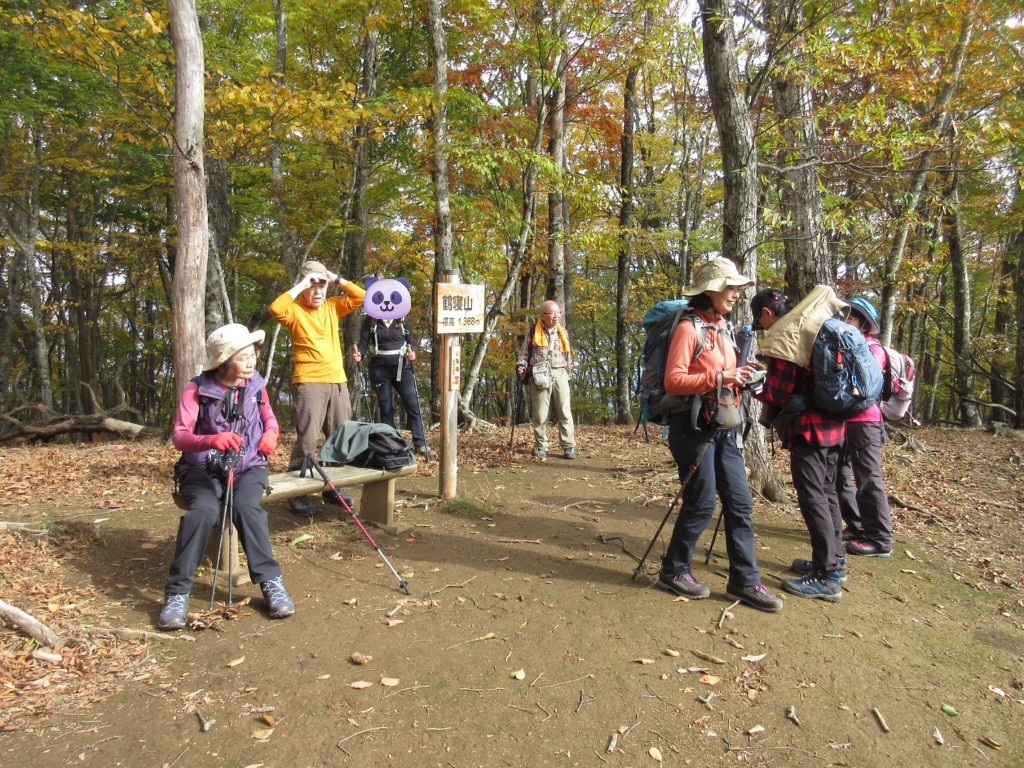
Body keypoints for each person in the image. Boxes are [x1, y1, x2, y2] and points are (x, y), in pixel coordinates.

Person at [657, 259, 783, 612]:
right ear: (710, 291)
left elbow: (726, 373)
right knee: (701, 502)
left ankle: (744, 581)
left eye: (737, 287)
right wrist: (722, 378)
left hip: (726, 427)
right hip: (693, 428)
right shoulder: (688, 329)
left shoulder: (723, 328)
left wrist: (747, 373)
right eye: (730, 287)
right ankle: (675, 569)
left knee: (741, 503)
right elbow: (673, 380)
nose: (736, 293)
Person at [159, 323, 294, 630]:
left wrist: (271, 435)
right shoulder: (197, 389)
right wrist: (210, 441)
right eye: (243, 356)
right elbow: (180, 436)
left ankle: (272, 583)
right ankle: (178, 594)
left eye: (252, 354)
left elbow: (269, 418)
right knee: (203, 511)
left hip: (249, 467)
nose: (251, 361)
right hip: (202, 468)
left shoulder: (256, 385)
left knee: (247, 508)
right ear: (224, 361)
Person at [750, 287, 847, 602]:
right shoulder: (814, 324)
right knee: (828, 493)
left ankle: (827, 575)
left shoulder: (787, 336)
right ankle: (834, 561)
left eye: (759, 321)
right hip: (834, 424)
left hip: (809, 430)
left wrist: (752, 383)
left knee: (813, 498)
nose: (762, 327)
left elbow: (777, 393)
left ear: (766, 313)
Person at [269, 260, 365, 514]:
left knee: (339, 437)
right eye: (313, 286)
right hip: (309, 381)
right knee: (308, 439)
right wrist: (303, 283)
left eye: (321, 286)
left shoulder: (333, 307)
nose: (318, 291)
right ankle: (297, 489)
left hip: (337, 381)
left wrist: (335, 278)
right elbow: (276, 308)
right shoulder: (296, 311)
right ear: (303, 287)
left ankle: (331, 487)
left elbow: (361, 296)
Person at [836, 297, 893, 557]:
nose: (846, 321)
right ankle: (858, 526)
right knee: (841, 474)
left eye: (852, 318)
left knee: (869, 478)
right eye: (845, 317)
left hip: (866, 422)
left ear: (864, 324)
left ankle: (880, 540)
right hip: (845, 420)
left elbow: (865, 385)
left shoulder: (873, 349)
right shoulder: (849, 347)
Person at [353, 307, 435, 459]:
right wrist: (360, 354)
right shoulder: (371, 321)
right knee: (386, 408)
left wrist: (413, 352)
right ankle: (391, 444)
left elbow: (411, 341)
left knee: (413, 404)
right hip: (379, 369)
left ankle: (420, 443)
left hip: (402, 367)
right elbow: (363, 343)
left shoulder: (402, 319)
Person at [516, 300, 577, 459]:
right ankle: (541, 446)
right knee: (540, 413)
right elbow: (523, 354)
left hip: (560, 372)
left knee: (564, 410)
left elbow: (568, 354)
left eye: (558, 312)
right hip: (540, 373)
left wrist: (568, 372)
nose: (557, 316)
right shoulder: (532, 332)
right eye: (553, 313)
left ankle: (569, 446)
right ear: (543, 315)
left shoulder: (563, 332)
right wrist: (521, 366)